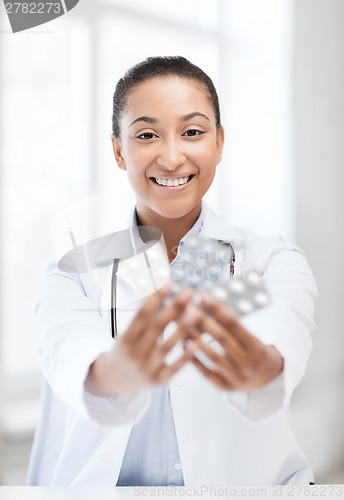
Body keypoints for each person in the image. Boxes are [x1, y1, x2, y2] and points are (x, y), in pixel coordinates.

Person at [28, 56, 318, 486]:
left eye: (193, 132)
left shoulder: (270, 261)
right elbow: (68, 351)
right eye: (146, 135)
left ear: (218, 143)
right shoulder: (75, 270)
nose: (171, 156)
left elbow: (283, 330)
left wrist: (261, 370)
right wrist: (112, 374)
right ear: (118, 150)